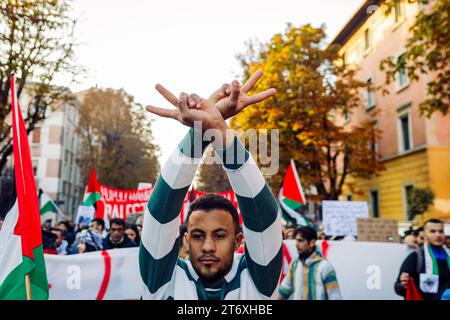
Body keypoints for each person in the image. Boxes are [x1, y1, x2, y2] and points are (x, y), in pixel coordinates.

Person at [139, 70, 282, 300]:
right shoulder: (163, 282)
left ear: (238, 241)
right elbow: (159, 213)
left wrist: (219, 132)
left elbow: (265, 218)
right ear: (185, 239)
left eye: (219, 235)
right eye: (197, 235)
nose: (207, 247)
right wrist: (204, 130)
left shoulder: (257, 284)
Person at [278, 226, 342, 300]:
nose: (296, 244)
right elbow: (285, 289)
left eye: (300, 240)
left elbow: (335, 296)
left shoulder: (325, 267)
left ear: (312, 242)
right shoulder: (295, 264)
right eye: (296, 240)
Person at [395, 219, 450, 300]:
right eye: (432, 231)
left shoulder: (448, 256)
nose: (438, 235)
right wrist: (403, 285)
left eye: (441, 231)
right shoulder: (415, 257)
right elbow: (398, 287)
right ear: (424, 234)